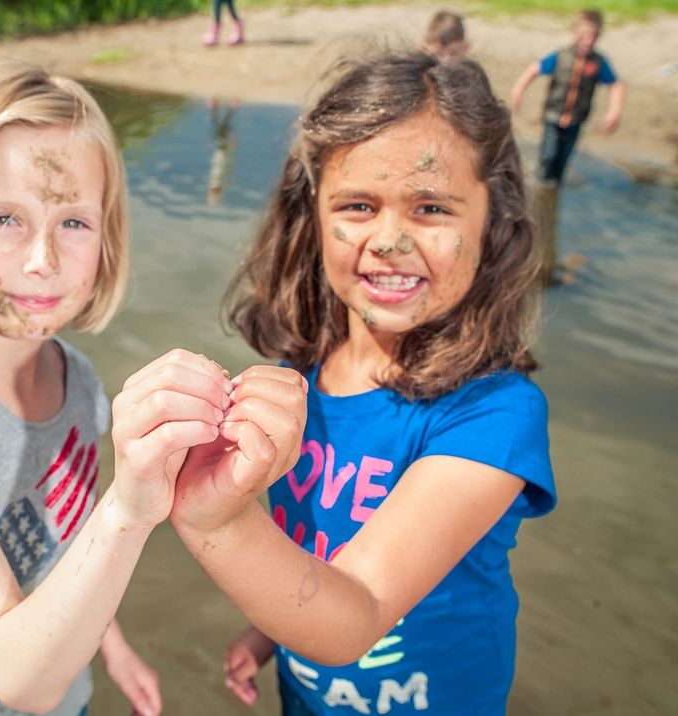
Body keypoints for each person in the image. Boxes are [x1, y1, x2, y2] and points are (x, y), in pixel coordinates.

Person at [0, 59, 306, 716]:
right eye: (4, 218)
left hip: (65, 689)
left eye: (74, 222)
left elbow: (63, 542)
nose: (42, 259)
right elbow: (18, 680)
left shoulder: (77, 381)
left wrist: (111, 647)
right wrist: (133, 507)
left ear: (108, 237)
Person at [170, 52, 556, 715]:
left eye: (431, 207)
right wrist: (269, 631)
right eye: (358, 205)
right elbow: (314, 546)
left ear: (493, 224)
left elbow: (361, 611)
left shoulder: (494, 416)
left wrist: (215, 520)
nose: (390, 240)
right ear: (312, 215)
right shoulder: (299, 382)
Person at [511, 8, 625, 187]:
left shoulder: (598, 62)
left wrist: (614, 111)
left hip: (575, 120)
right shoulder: (561, 56)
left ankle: (554, 191)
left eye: (593, 37)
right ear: (574, 34)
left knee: (561, 165)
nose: (588, 41)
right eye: (584, 36)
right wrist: (518, 90)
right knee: (548, 158)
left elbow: (616, 84)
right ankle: (541, 190)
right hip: (553, 116)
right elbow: (534, 69)